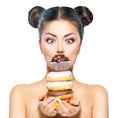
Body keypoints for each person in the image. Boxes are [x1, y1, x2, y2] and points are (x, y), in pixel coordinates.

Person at [9, 5, 109, 118]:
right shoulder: (20, 94)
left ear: (80, 46)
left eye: (69, 40)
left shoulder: (97, 95)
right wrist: (40, 114)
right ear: (40, 46)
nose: (60, 49)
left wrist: (78, 116)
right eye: (51, 40)